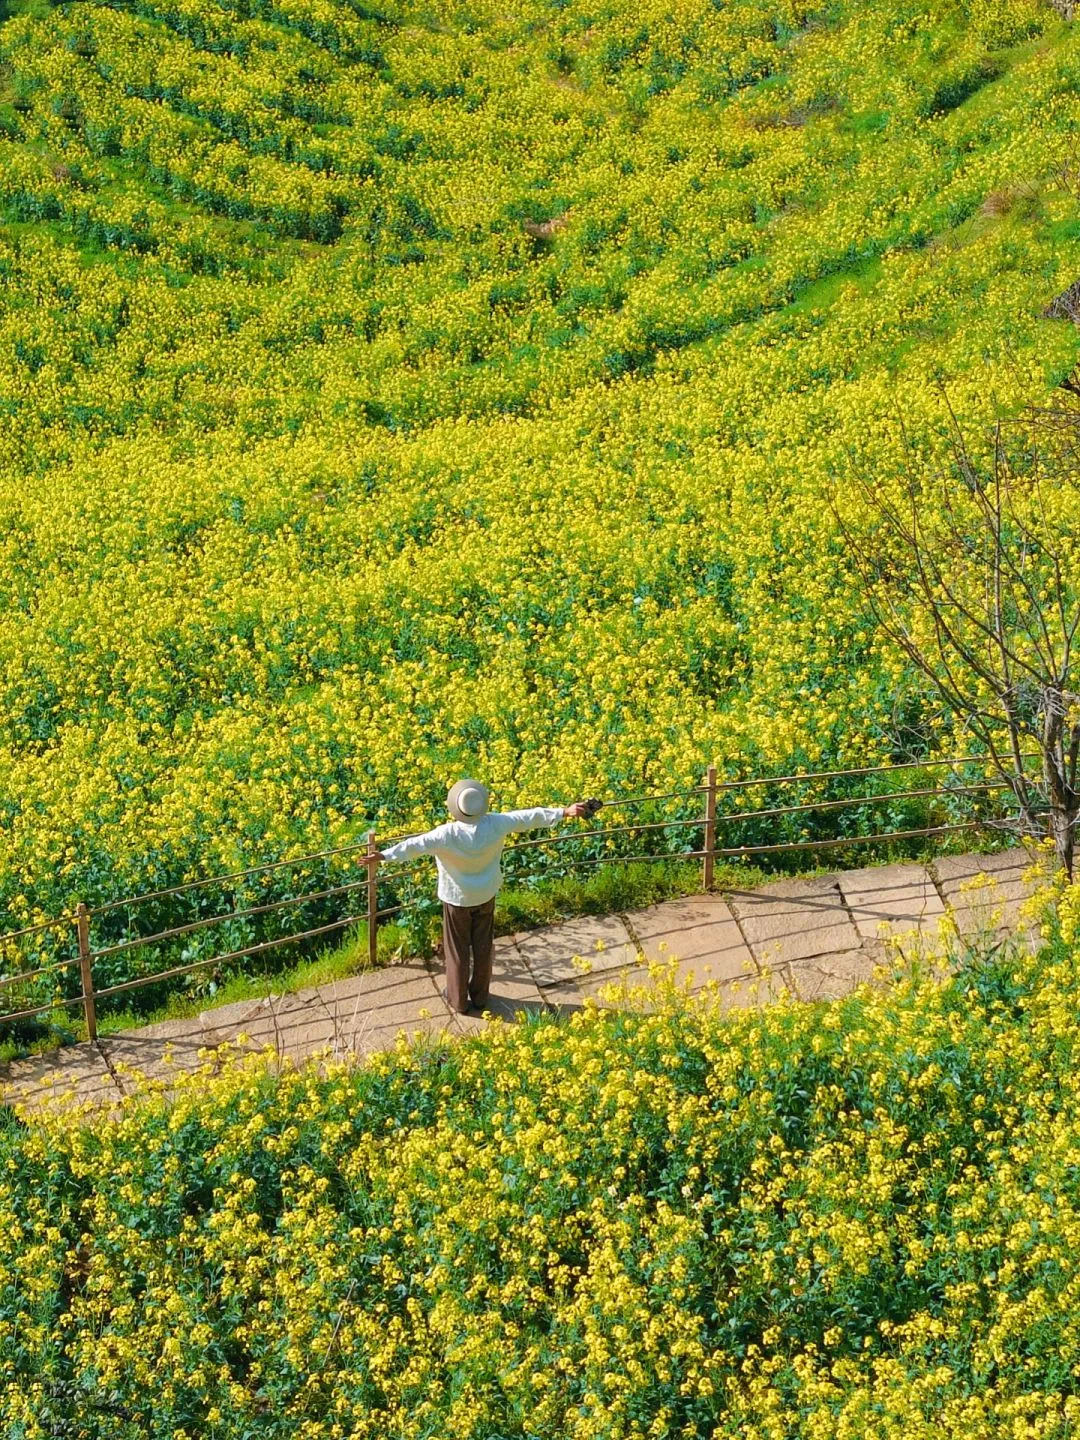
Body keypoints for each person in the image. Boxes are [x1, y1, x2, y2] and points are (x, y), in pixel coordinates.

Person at [373, 779, 593, 1015]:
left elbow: (414, 845)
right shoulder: (496, 824)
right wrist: (565, 812)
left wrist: (383, 856)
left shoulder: (446, 833)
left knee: (457, 951)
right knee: (483, 947)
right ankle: (480, 998)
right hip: (486, 894)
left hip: (457, 899)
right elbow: (528, 817)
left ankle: (458, 1001)